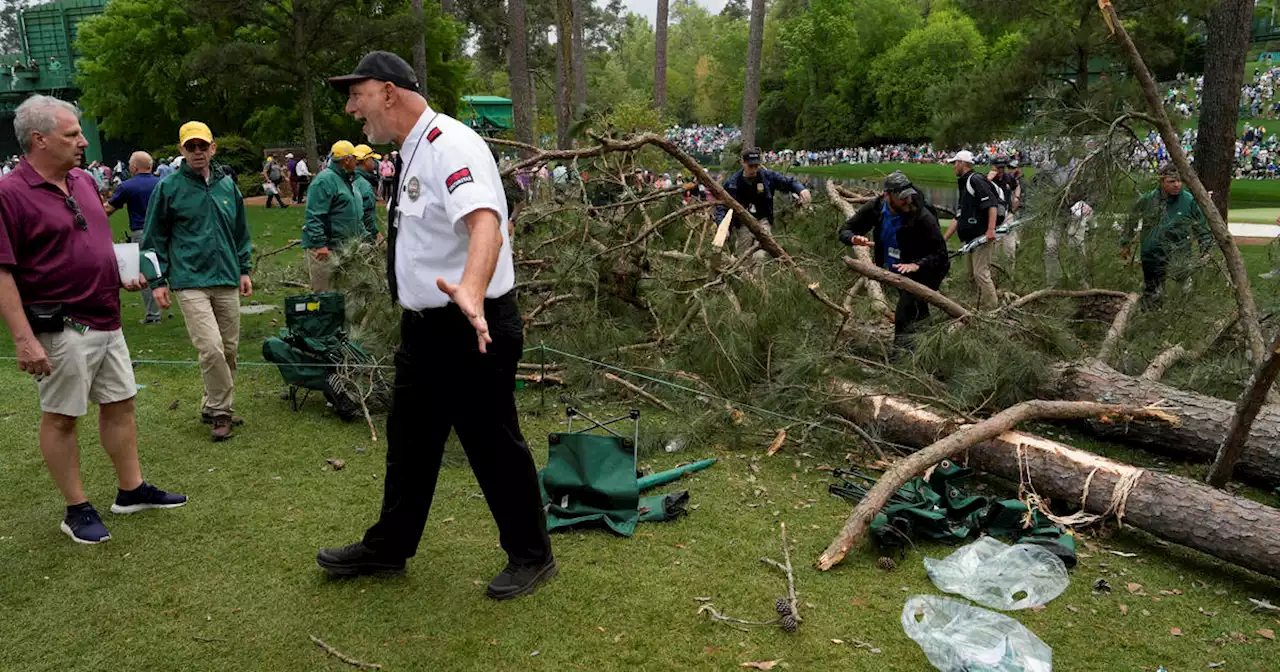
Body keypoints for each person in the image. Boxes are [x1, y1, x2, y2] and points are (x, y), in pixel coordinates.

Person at [318, 51, 555, 600]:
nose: (353, 109)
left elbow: (485, 223)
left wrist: (470, 290)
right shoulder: (413, 150)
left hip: (471, 326)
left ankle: (532, 556)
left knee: (492, 444)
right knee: (410, 442)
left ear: (389, 92)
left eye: (358, 94)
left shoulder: (451, 144)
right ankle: (389, 548)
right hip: (424, 331)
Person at [0, 95, 186, 544]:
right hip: (63, 326)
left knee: (120, 403)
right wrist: (24, 339)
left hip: (107, 316)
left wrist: (121, 274)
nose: (84, 141)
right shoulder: (10, 193)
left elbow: (89, 240)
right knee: (62, 416)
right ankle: (76, 508)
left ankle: (131, 490)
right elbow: (3, 271)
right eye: (72, 135)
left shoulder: (82, 180)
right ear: (39, 139)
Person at [142, 121, 253, 442]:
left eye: (202, 146)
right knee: (211, 348)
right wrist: (157, 280)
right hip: (189, 280)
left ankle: (211, 403)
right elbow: (153, 238)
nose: (197, 152)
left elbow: (240, 232)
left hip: (228, 276)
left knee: (229, 350)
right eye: (191, 147)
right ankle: (221, 411)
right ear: (182, 150)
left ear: (212, 147)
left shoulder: (226, 185)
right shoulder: (169, 188)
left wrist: (244, 269)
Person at [838, 171, 950, 350]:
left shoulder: (922, 214)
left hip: (928, 268)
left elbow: (941, 253)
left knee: (904, 313)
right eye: (902, 198)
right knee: (918, 310)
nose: (908, 202)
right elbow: (846, 230)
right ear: (887, 196)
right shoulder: (876, 208)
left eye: (909, 196)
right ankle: (930, 345)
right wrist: (853, 239)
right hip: (898, 266)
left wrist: (917, 265)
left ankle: (900, 357)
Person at [1123, 163, 1213, 308]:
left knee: (1178, 291)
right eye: (1171, 181)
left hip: (1179, 255)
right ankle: (1151, 318)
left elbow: (1201, 226)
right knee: (1153, 292)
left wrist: (1206, 248)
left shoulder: (1188, 200)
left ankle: (1176, 317)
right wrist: (1125, 242)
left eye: (1179, 181)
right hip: (1151, 253)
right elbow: (1131, 219)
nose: (1177, 185)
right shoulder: (1148, 199)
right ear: (1161, 181)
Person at [713, 148, 811, 258]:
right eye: (751, 166)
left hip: (763, 220)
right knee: (743, 256)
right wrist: (722, 226)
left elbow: (788, 182)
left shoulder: (767, 177)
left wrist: (801, 189)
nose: (754, 169)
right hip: (743, 223)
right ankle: (743, 273)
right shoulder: (732, 183)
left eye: (756, 166)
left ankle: (757, 275)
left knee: (759, 256)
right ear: (742, 163)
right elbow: (722, 206)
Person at [104, 151, 162, 324]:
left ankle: (153, 314)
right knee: (164, 269)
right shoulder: (162, 184)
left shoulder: (127, 186)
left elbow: (109, 208)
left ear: (134, 167)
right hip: (163, 232)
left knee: (145, 272)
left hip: (141, 232)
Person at [943, 150, 1001, 310]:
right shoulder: (964, 184)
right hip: (970, 239)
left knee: (980, 273)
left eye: (955, 163)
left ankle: (992, 309)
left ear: (962, 163)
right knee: (971, 274)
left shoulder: (976, 180)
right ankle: (975, 306)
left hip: (982, 236)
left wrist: (990, 230)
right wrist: (944, 238)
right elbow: (959, 216)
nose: (953, 166)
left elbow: (992, 205)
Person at [302, 140, 364, 291]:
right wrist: (319, 244)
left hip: (345, 247)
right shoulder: (325, 181)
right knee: (325, 296)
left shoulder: (347, 180)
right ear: (347, 160)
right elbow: (314, 215)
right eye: (355, 158)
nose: (358, 161)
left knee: (344, 294)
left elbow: (354, 214)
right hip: (326, 250)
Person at [988, 156, 1021, 271]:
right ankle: (994, 273)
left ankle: (1010, 274)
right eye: (998, 167)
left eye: (1003, 167)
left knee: (1010, 247)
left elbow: (1017, 186)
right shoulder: (987, 179)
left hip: (1007, 215)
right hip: (992, 217)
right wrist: (989, 180)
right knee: (994, 248)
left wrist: (1016, 197)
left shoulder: (1008, 178)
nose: (1001, 170)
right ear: (993, 167)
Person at [352, 144, 383, 241]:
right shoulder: (363, 184)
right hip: (363, 236)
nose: (374, 162)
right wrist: (376, 234)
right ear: (365, 161)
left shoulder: (348, 178)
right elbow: (366, 214)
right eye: (372, 159)